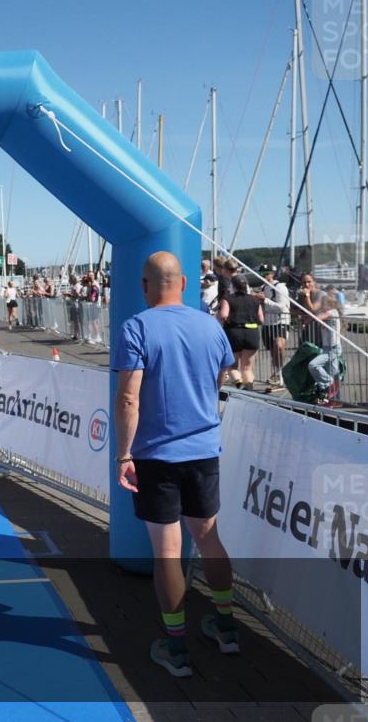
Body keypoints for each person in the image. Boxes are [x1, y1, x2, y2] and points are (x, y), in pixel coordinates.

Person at [112, 251, 239, 678]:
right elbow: (218, 380)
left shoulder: (136, 327)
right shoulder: (210, 325)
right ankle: (226, 628)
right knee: (209, 539)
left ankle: (177, 647)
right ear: (184, 283)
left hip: (157, 456)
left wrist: (124, 454)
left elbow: (128, 398)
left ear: (144, 286)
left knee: (167, 551)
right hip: (203, 450)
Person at [219, 274, 263, 390]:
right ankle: (249, 388)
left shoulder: (228, 299)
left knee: (232, 366)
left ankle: (239, 383)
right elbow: (261, 319)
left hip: (234, 333)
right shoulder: (255, 300)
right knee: (247, 368)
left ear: (232, 286)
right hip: (252, 333)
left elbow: (224, 315)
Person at [255, 266, 290, 388]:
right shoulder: (263, 288)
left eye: (266, 273)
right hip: (267, 323)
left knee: (278, 345)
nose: (263, 275)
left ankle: (281, 373)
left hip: (281, 321)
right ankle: (277, 373)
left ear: (272, 274)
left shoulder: (280, 287)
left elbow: (281, 306)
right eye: (261, 273)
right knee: (273, 352)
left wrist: (264, 300)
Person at [307, 292, 343, 406]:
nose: (322, 306)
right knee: (334, 373)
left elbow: (318, 317)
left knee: (313, 365)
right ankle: (335, 400)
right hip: (327, 347)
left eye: (324, 304)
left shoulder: (333, 312)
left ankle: (328, 384)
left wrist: (310, 318)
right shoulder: (327, 314)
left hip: (333, 348)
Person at [297, 273, 326, 345]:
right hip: (307, 329)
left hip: (320, 331)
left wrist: (307, 295)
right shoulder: (302, 295)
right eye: (304, 282)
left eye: (309, 282)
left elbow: (312, 309)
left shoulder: (321, 294)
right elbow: (293, 309)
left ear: (314, 282)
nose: (307, 285)